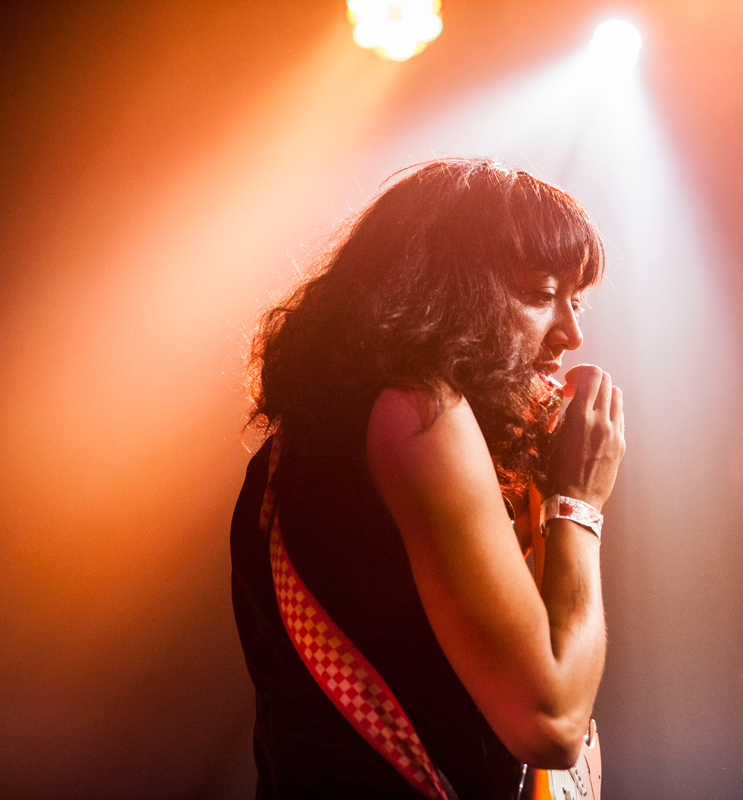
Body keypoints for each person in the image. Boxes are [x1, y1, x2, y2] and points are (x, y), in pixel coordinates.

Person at [230, 158, 625, 799]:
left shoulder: (308, 441)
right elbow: (549, 722)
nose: (570, 335)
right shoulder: (417, 410)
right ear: (445, 293)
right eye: (538, 293)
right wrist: (578, 500)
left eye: (575, 300)